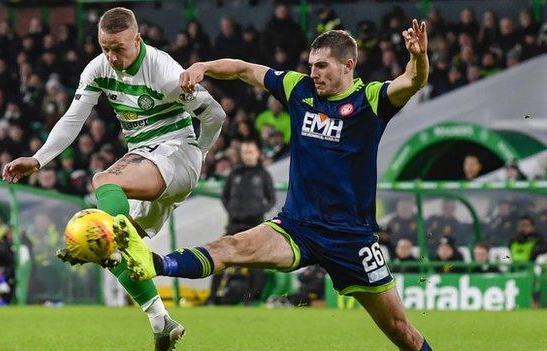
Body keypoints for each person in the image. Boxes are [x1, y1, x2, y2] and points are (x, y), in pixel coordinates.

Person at [117, 20, 433, 350]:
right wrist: (204, 67)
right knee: (231, 247)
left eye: (322, 66)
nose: (314, 73)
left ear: (348, 65)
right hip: (297, 226)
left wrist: (419, 57)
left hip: (351, 238)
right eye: (311, 65)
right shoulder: (299, 90)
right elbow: (243, 69)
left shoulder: (370, 100)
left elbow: (412, 80)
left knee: (401, 331)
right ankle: (155, 264)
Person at [1, 7, 225, 350]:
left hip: (177, 152)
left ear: (138, 39)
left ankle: (115, 230)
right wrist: (38, 159)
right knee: (110, 249)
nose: (111, 56)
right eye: (105, 47)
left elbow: (214, 115)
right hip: (146, 160)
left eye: (119, 48)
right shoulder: (98, 68)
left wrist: (201, 154)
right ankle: (161, 321)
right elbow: (73, 118)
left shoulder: (164, 72)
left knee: (104, 180)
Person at [206, 139, 275, 305]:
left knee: (255, 262)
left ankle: (251, 298)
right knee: (220, 256)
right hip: (234, 224)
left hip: (255, 225)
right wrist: (232, 210)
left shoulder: (263, 175)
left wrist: (258, 211)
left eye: (251, 152)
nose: (248, 155)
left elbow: (271, 199)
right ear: (241, 154)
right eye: (245, 152)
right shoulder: (234, 173)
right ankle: (212, 297)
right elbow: (225, 197)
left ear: (257, 154)